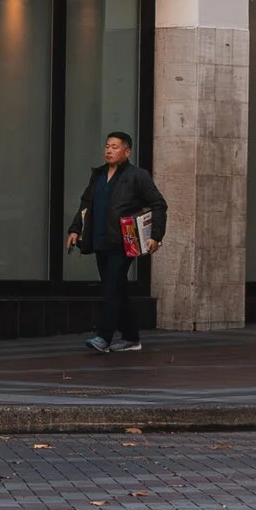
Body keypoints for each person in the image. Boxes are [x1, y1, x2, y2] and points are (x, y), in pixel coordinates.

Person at [70, 130, 168, 355]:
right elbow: (86, 204)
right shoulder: (99, 175)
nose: (109, 150)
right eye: (107, 146)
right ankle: (131, 338)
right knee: (117, 289)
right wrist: (75, 229)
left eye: (115, 147)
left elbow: (159, 205)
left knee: (112, 289)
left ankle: (103, 338)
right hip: (100, 241)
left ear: (127, 151)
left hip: (125, 242)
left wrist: (156, 236)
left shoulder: (137, 176)